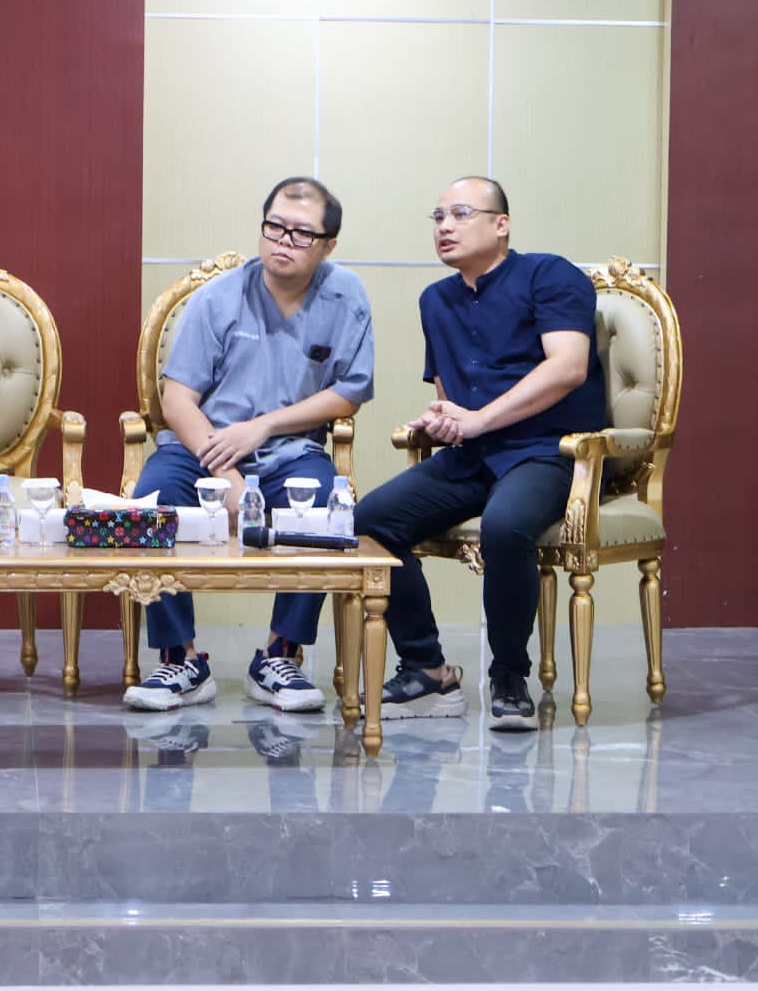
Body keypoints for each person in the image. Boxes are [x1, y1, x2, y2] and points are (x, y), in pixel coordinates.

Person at [354, 177, 605, 730]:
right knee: (370, 521)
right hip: (474, 456)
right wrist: (442, 419)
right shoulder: (435, 300)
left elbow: (568, 367)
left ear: (501, 224)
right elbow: (452, 397)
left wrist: (479, 419)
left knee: (506, 525)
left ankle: (509, 677)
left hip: (548, 450)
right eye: (438, 217)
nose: (445, 226)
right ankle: (428, 669)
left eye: (460, 214)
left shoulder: (549, 274)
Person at [123, 176, 374, 714]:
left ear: (329, 245)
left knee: (326, 508)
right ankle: (181, 658)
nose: (284, 241)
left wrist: (263, 427)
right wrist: (226, 473)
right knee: (152, 501)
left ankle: (280, 656)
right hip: (202, 448)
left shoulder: (346, 295)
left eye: (302, 234)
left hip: (290, 450)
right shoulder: (218, 298)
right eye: (274, 227)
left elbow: (349, 393)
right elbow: (177, 400)